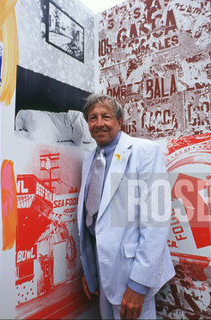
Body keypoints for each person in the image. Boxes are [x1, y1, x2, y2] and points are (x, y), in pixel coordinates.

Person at [76, 93, 175, 319]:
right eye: (93, 118)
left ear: (120, 122)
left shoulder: (146, 151)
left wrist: (139, 285)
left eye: (106, 117)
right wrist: (90, 269)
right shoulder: (89, 160)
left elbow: (156, 222)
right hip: (103, 274)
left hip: (132, 274)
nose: (99, 123)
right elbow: (91, 221)